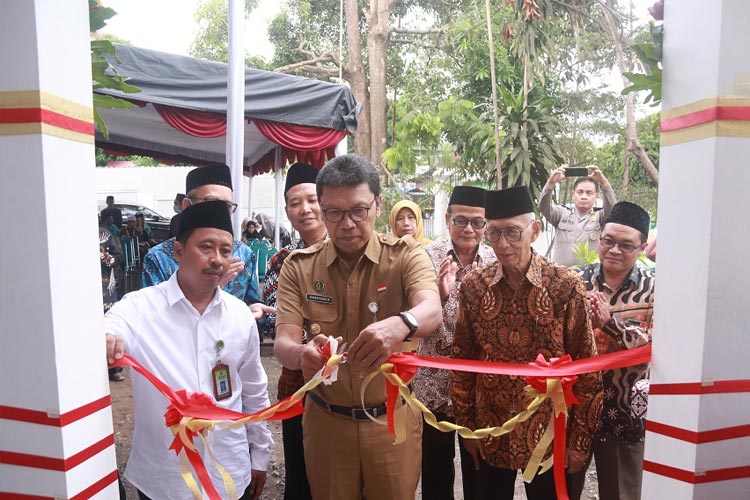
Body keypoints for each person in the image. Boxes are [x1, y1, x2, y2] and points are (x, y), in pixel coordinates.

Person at [274, 154, 443, 500]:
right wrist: (302, 354)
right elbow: (283, 342)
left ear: (378, 205)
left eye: (358, 210)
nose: (347, 224)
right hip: (326, 421)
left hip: (391, 420)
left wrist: (400, 325)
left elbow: (431, 309)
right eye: (333, 212)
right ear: (322, 210)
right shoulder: (299, 267)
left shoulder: (406, 256)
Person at [104, 200, 274, 500]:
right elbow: (113, 324)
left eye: (225, 250)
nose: (217, 259)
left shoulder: (239, 315)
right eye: (206, 247)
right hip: (164, 479)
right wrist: (107, 335)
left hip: (229, 472)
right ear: (179, 252)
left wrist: (260, 453)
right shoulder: (141, 307)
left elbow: (253, 390)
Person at [451, 186, 602, 500]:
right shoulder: (474, 287)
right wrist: (467, 428)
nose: (502, 244)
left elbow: (588, 367)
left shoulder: (564, 285)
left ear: (534, 231)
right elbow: (462, 359)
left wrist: (579, 442)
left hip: (548, 430)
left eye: (513, 233)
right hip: (490, 426)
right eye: (493, 233)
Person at [411, 185, 495, 500]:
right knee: (435, 470)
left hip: (478, 388)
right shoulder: (424, 257)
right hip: (433, 386)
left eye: (477, 222)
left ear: (486, 226)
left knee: (479, 470)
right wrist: (439, 295)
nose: (469, 229)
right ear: (447, 219)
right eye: (461, 220)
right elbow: (412, 317)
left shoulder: (495, 261)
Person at [576, 201, 655, 500]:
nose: (614, 250)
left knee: (621, 493)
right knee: (562, 490)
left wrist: (613, 325)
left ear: (642, 247)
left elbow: (654, 343)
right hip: (575, 408)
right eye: (608, 241)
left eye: (626, 245)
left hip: (624, 411)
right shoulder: (575, 281)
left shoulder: (655, 289)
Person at [262, 162, 326, 500]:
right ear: (287, 210)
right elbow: (279, 323)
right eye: (295, 202)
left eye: (312, 199)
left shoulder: (350, 251)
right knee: (300, 475)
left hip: (346, 383)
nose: (305, 209)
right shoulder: (281, 261)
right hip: (297, 381)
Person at [141, 164, 265, 313]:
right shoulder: (158, 258)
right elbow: (152, 318)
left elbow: (252, 305)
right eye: (211, 202)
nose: (218, 211)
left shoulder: (244, 255)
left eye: (226, 206)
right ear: (187, 205)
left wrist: (253, 312)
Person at [538, 165, 616, 267]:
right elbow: (543, 207)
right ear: (573, 195)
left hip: (588, 278)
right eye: (580, 192)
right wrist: (550, 184)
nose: (584, 196)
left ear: (596, 196)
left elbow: (613, 210)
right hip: (560, 277)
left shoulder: (600, 217)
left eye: (589, 193)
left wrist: (604, 183)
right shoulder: (561, 214)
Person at [99, 215, 125, 382]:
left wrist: (105, 257)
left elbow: (118, 258)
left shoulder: (106, 235)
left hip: (106, 288)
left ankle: (114, 368)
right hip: (81, 290)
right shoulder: (71, 234)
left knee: (110, 327)